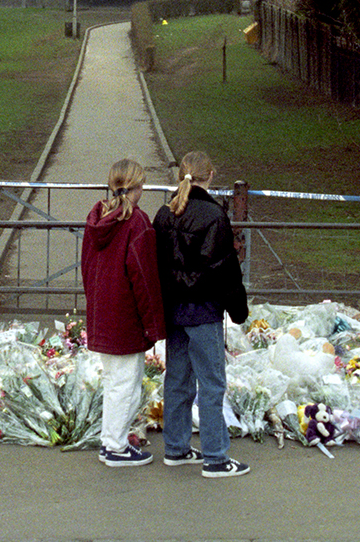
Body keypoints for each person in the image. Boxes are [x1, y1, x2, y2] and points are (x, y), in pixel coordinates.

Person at [152, 151, 251, 478]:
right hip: (204, 310)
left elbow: (156, 265)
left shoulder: (165, 214)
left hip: (174, 309)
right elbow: (225, 269)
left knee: (177, 380)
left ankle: (176, 447)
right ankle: (216, 457)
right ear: (210, 175)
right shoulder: (213, 215)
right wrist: (239, 310)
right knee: (211, 384)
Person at [81, 158, 166, 467]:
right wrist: (153, 324)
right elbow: (144, 278)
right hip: (126, 315)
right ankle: (115, 446)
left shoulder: (98, 218)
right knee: (126, 385)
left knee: (114, 383)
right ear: (138, 186)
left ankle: (111, 441)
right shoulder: (137, 222)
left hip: (103, 311)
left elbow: (86, 267)